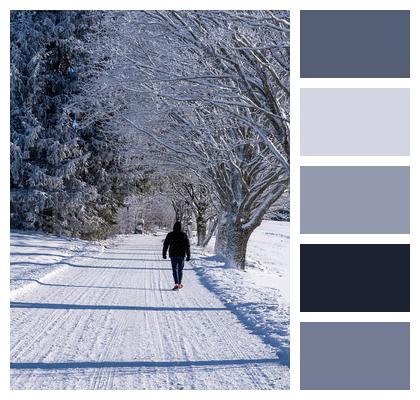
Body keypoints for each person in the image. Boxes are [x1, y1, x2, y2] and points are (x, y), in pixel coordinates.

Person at [162, 221, 191, 290]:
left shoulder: (170, 234)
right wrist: (188, 255)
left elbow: (166, 244)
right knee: (180, 270)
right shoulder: (184, 235)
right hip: (181, 255)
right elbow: (187, 246)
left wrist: (164, 253)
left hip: (173, 254)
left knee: (174, 269)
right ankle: (179, 283)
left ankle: (176, 284)